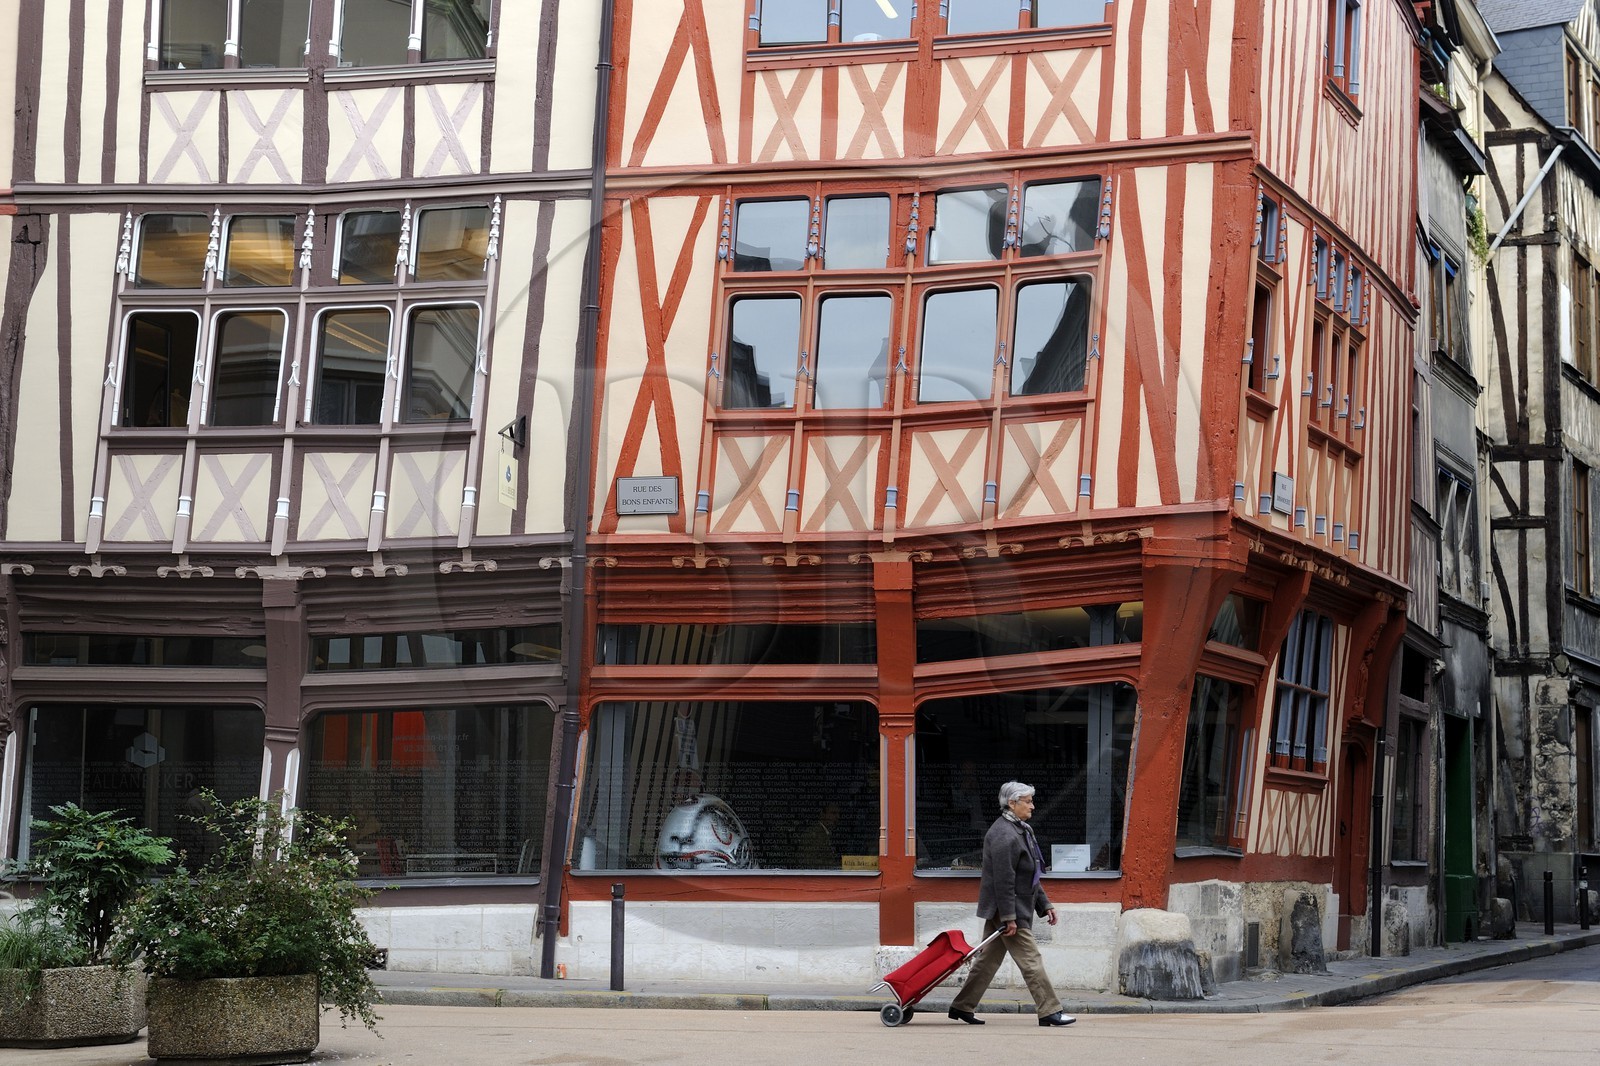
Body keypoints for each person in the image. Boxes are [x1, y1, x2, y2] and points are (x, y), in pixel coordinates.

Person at [947, 780, 1075, 1028]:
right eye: (1028, 801)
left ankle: (962, 1006)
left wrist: (1045, 904)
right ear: (1012, 803)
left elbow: (1029, 874)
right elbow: (1004, 882)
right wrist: (1009, 918)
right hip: (1008, 910)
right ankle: (1050, 1010)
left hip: (1011, 908)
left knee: (988, 960)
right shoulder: (1004, 835)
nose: (1032, 806)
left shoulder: (1020, 829)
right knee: (1031, 959)